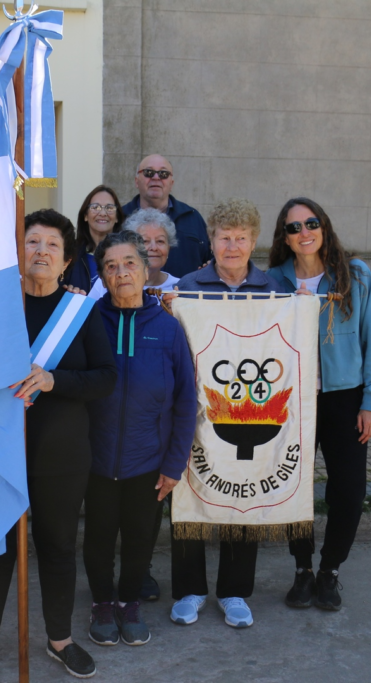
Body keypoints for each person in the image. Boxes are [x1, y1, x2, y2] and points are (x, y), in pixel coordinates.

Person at [0, 209, 117, 683]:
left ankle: (59, 639)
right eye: (32, 242)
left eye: (52, 245)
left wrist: (54, 380)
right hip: (0, 451)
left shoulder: (80, 312)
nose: (41, 251)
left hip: (61, 456)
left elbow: (105, 378)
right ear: (19, 251)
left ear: (67, 260)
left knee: (56, 547)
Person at [164, 199, 283, 631]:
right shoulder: (189, 286)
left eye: (241, 238)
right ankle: (190, 590)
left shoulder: (275, 291)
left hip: (251, 407)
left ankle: (234, 591)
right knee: (190, 491)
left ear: (254, 241)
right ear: (210, 239)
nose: (232, 246)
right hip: (195, 407)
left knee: (244, 492)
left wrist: (304, 310)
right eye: (223, 237)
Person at [266, 197, 371, 612]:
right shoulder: (273, 280)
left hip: (344, 398)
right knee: (295, 489)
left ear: (324, 226)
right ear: (284, 237)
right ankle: (302, 569)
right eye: (293, 227)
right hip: (290, 400)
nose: (304, 232)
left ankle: (330, 570)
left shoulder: (354, 275)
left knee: (349, 492)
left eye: (310, 223)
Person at [83, 231, 197, 647]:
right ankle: (101, 603)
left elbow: (187, 399)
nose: (121, 272)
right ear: (103, 276)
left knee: (138, 540)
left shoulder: (167, 328)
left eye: (129, 262)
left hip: (148, 462)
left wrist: (173, 464)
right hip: (95, 461)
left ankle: (129, 602)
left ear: (146, 268)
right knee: (96, 541)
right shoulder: (87, 320)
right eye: (110, 266)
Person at [121, 154, 211, 277]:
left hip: (183, 294)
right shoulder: (120, 218)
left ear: (171, 183)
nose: (156, 178)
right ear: (137, 181)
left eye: (163, 174)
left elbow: (210, 261)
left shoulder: (192, 218)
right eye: (149, 172)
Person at [88, 208, 179, 301]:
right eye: (145, 241)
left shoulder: (179, 286)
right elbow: (88, 313)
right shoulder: (110, 280)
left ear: (169, 247)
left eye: (160, 241)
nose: (154, 247)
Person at [65, 185, 124, 293]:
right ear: (85, 216)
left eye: (109, 208)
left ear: (117, 217)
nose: (102, 213)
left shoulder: (127, 255)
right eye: (95, 207)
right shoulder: (70, 254)